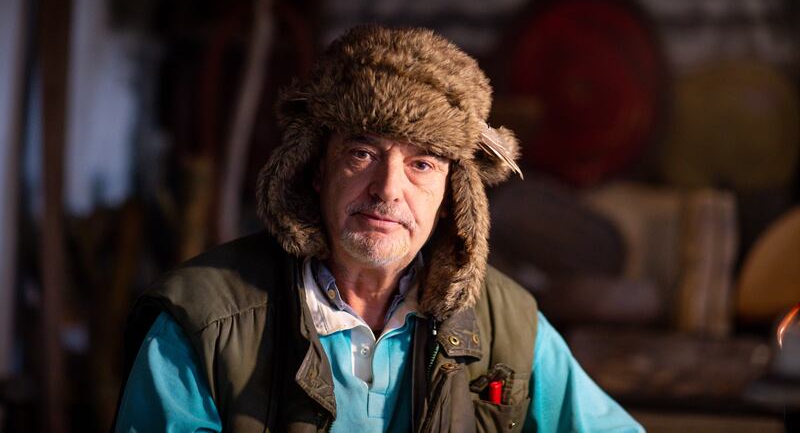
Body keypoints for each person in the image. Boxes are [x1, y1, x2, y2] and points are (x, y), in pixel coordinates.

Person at [113, 25, 644, 432]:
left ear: (451, 192)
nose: (388, 189)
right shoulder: (203, 321)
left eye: (423, 164)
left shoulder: (507, 324)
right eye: (363, 152)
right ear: (316, 168)